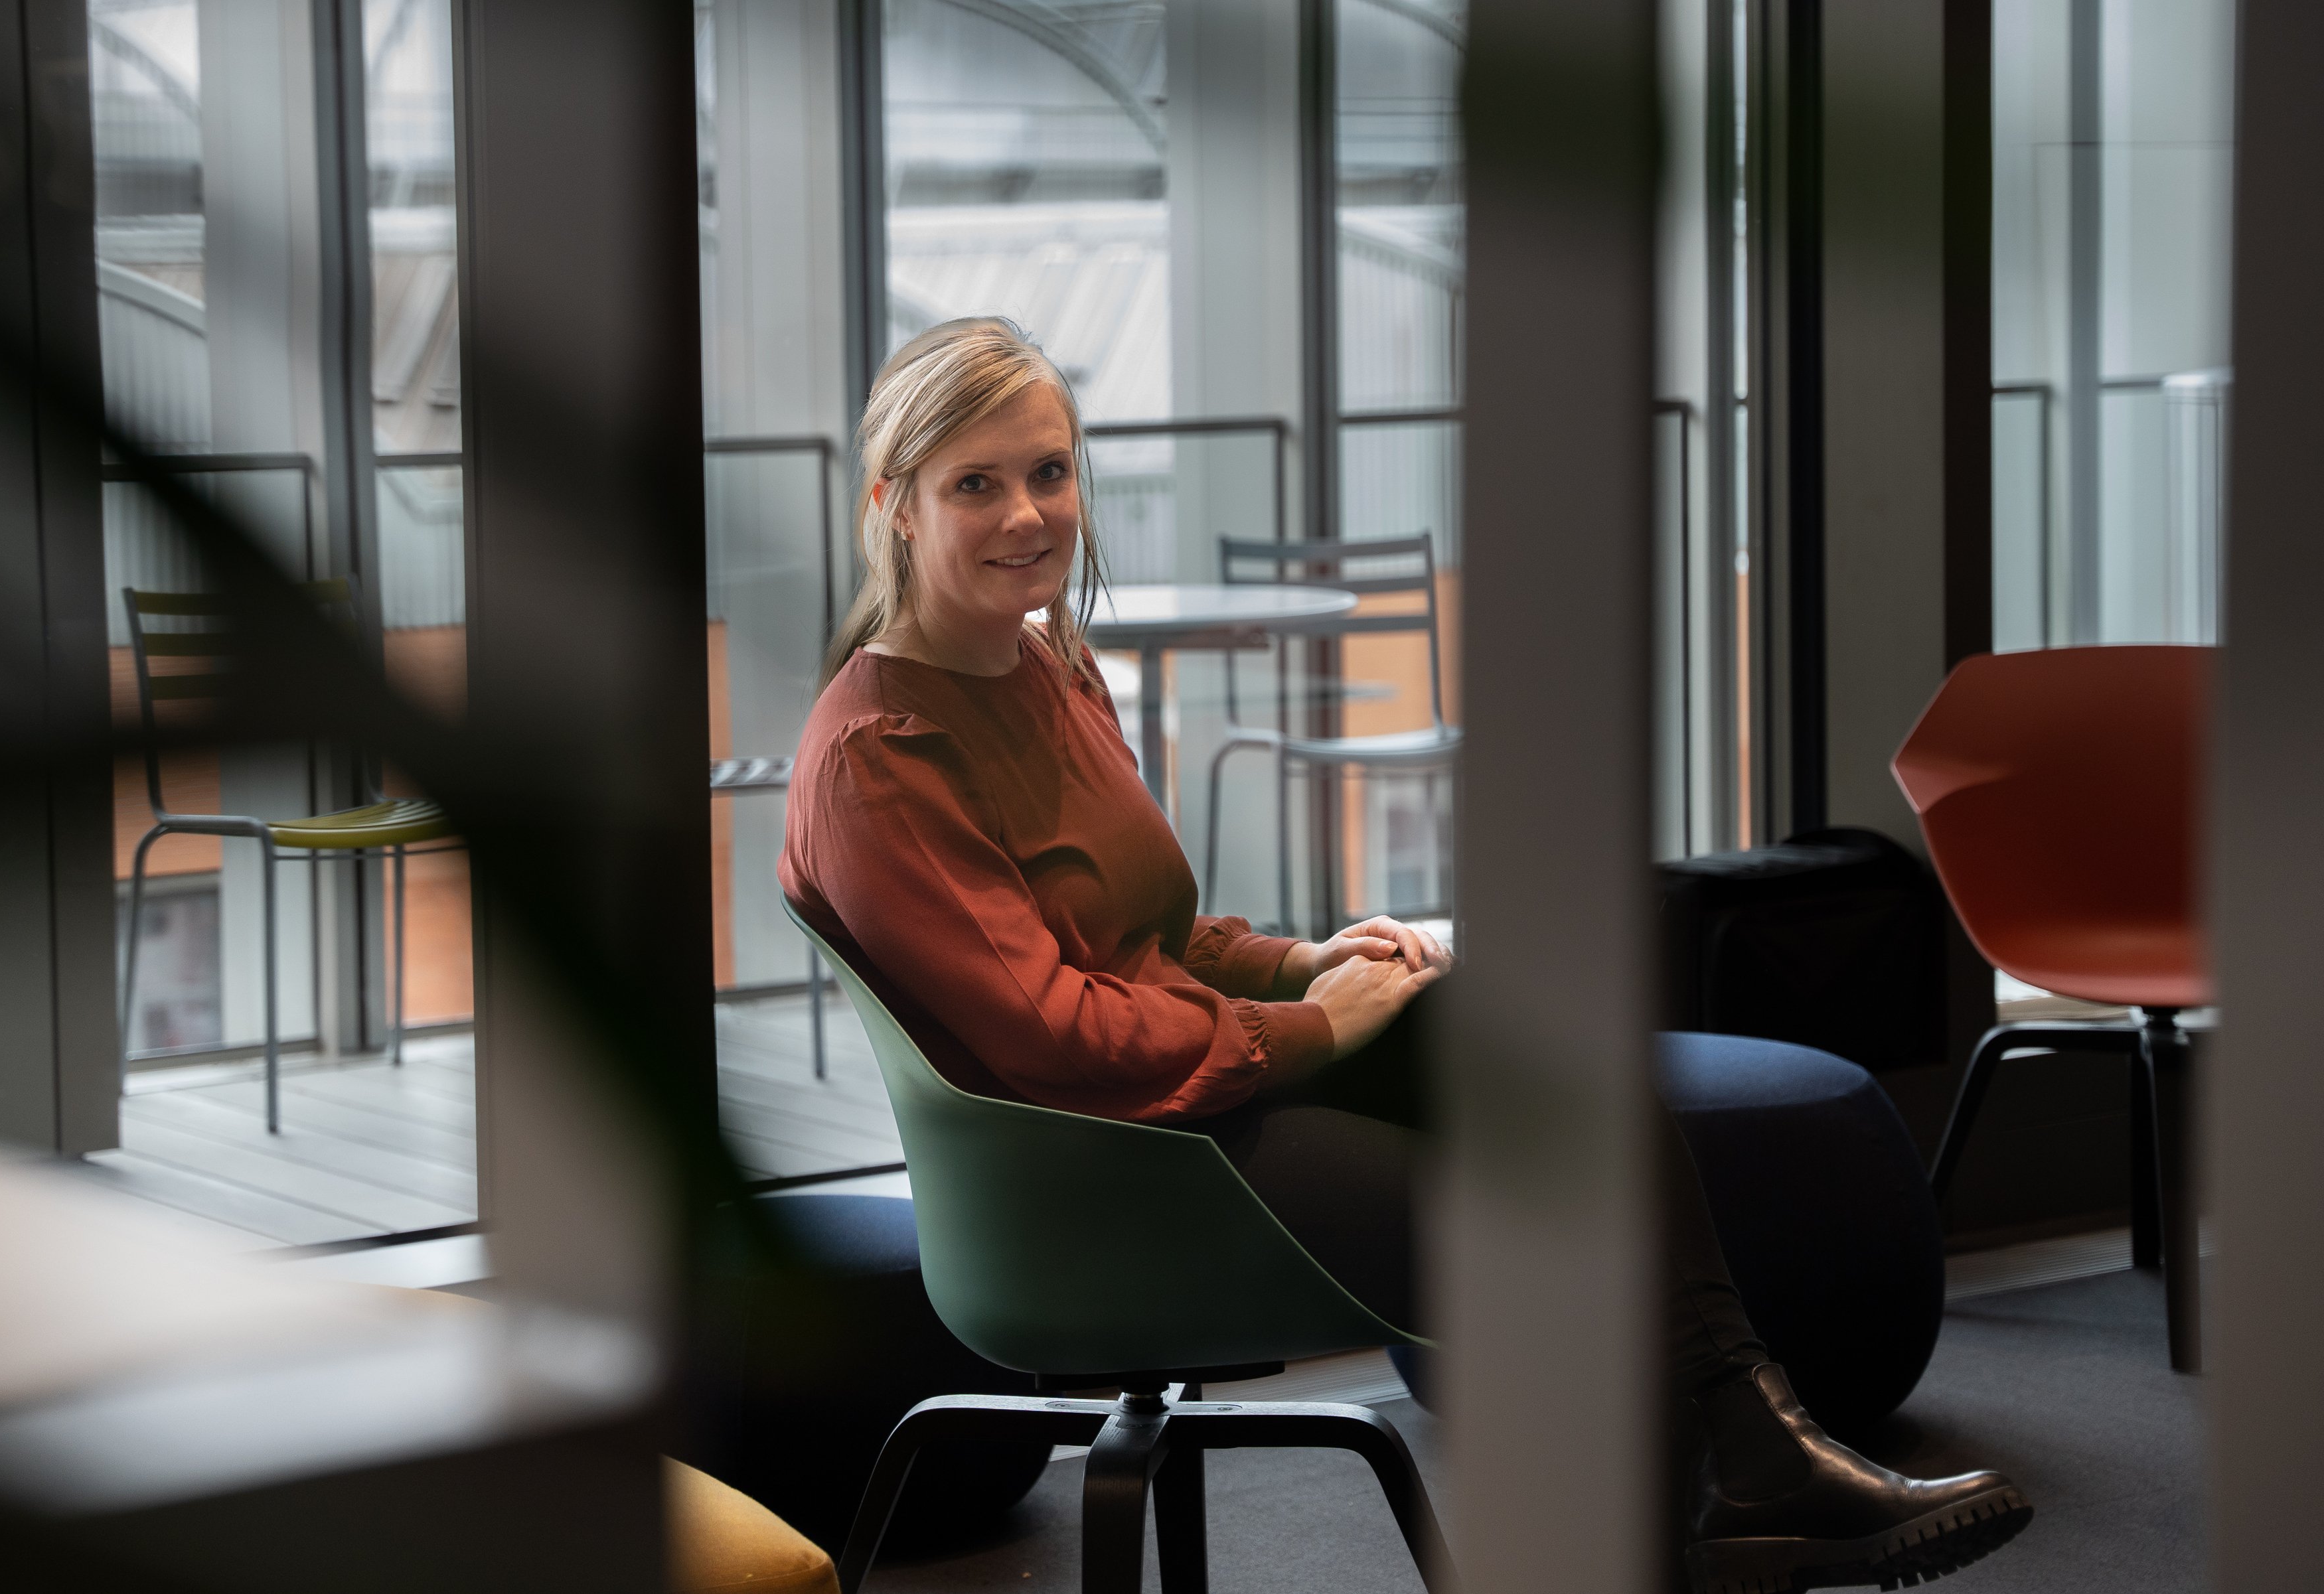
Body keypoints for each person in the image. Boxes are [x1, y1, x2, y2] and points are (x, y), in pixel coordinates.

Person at [779, 317, 2033, 1594]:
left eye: (1049, 470)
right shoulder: (883, 753)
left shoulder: (1051, 668)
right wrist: (1315, 1031)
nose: (1029, 514)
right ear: (894, 505)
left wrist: (1305, 964)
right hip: (1087, 1172)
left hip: (1180, 1097)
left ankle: (1754, 1458)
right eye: (975, 484)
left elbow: (1154, 941)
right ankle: (1704, 1514)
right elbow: (1049, 1031)